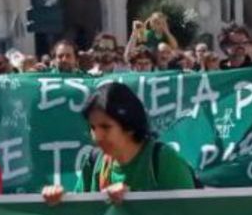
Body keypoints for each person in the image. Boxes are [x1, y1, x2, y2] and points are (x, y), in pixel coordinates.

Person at [42, 82, 196, 206]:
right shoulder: (94, 163)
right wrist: (60, 200)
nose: (96, 137)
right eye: (92, 127)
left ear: (129, 126)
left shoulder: (162, 160)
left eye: (105, 127)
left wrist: (133, 203)